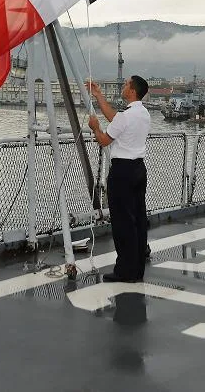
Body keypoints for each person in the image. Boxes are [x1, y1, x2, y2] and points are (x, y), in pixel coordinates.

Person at [85, 75, 150, 283]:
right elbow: (115, 118)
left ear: (131, 90)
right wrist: (98, 96)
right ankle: (136, 269)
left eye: (126, 84)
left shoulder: (126, 116)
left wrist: (95, 126)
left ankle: (125, 271)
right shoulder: (143, 113)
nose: (123, 86)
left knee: (123, 223)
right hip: (138, 170)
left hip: (122, 172)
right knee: (138, 220)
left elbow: (104, 140)